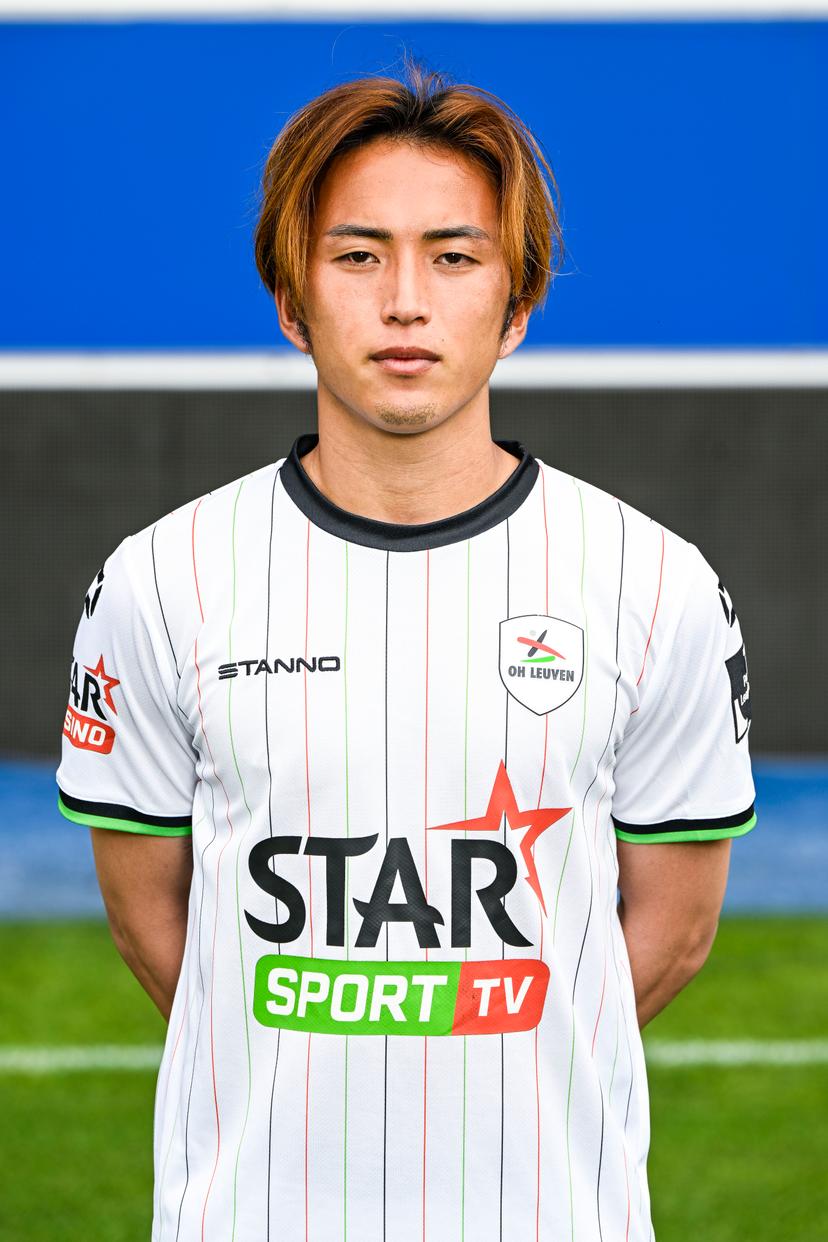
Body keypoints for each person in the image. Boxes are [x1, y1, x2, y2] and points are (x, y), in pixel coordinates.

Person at [56, 59, 755, 1242]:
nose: (406, 303)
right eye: (358, 254)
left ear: (516, 303)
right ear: (294, 300)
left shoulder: (656, 584)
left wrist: (472, 1052)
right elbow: (149, 921)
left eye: (454, 255)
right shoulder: (159, 580)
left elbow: (676, 929)